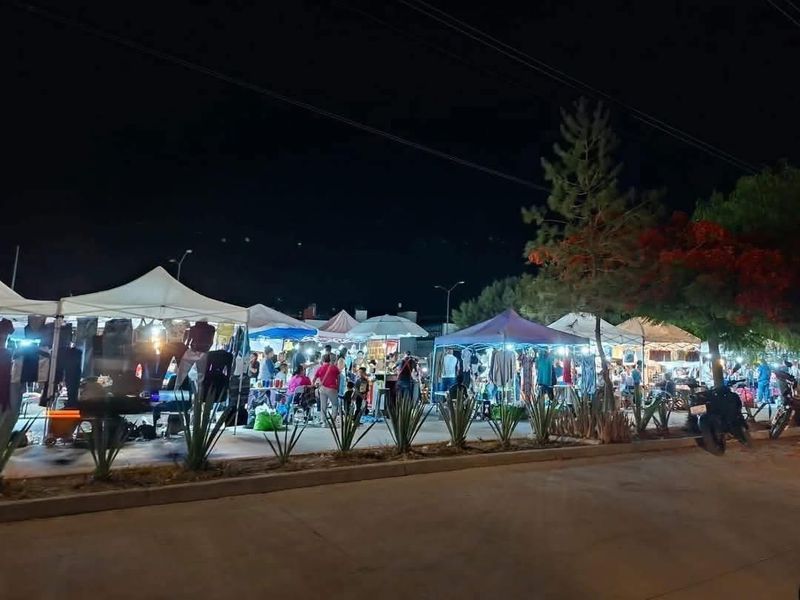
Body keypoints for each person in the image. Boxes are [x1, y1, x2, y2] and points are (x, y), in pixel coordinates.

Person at [314, 354, 341, 422]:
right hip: (332, 388)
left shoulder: (320, 368)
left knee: (323, 405)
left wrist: (315, 386)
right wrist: (338, 387)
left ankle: (323, 420)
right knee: (334, 404)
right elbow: (339, 377)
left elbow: (314, 378)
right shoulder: (334, 367)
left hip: (322, 388)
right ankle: (333, 419)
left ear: (323, 360)